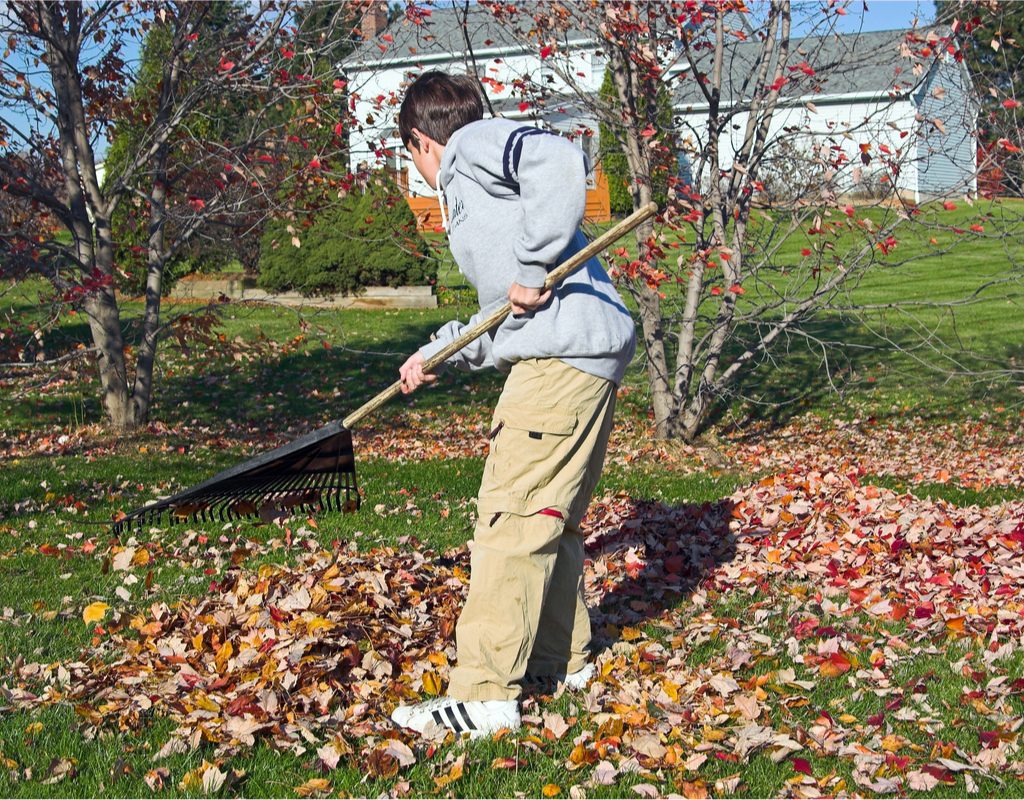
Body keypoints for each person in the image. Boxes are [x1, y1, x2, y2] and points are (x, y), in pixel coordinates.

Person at [389, 71, 637, 739]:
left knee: (509, 520)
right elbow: (500, 315)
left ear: (420, 141)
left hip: (560, 360)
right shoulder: (479, 189)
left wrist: (531, 267)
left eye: (408, 154)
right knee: (549, 519)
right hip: (580, 352)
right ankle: (564, 661)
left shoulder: (469, 148)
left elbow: (559, 159)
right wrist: (434, 355)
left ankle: (482, 695)